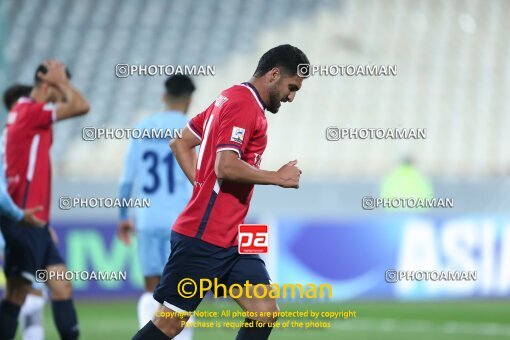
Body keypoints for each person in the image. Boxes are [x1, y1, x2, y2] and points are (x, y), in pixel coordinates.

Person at [133, 44, 309, 340]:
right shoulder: (243, 104)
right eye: (292, 87)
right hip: (203, 237)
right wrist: (276, 177)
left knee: (264, 310)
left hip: (230, 238)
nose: (291, 97)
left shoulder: (230, 96)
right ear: (274, 75)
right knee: (169, 324)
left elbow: (180, 143)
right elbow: (225, 166)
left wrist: (203, 188)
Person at [0, 60, 90, 340]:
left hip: (36, 222)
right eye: (56, 87)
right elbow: (80, 105)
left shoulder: (26, 115)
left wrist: (56, 82)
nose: (60, 95)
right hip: (25, 218)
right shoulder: (29, 111)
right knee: (18, 293)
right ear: (45, 82)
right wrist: (59, 80)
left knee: (61, 286)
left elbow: (68, 103)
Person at [118, 75, 196, 339]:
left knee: (152, 287)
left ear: (164, 97)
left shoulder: (142, 127)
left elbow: (127, 180)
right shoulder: (193, 128)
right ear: (189, 100)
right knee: (183, 290)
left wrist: (122, 217)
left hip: (148, 218)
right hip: (183, 221)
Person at [1, 84, 49, 340]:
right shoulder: (14, 140)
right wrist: (21, 217)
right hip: (18, 226)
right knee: (28, 294)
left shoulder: (11, 137)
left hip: (15, 227)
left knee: (19, 292)